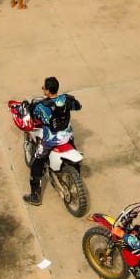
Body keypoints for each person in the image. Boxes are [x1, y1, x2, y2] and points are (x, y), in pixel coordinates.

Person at [23, 77, 83, 205]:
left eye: (44, 88)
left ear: (48, 91)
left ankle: (35, 196)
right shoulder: (67, 99)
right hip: (67, 136)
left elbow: (33, 115)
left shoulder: (41, 106)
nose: (43, 89)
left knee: (36, 165)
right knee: (74, 149)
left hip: (51, 141)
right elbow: (78, 106)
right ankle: (76, 175)